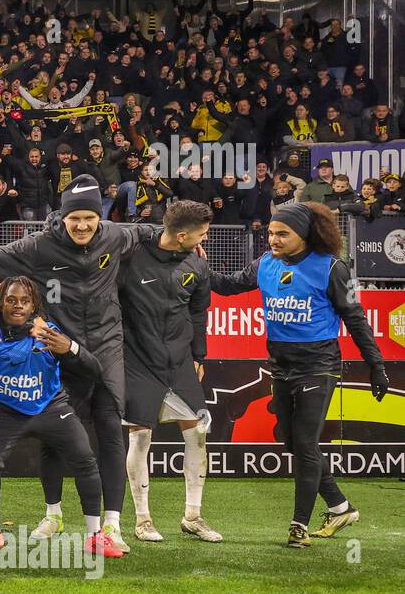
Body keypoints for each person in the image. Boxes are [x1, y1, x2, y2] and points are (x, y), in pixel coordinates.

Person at [0, 177, 158, 549]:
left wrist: (188, 248)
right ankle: (53, 516)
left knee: (111, 428)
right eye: (74, 218)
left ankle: (110, 526)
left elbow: (150, 231)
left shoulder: (115, 236)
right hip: (59, 348)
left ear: (100, 217)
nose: (82, 226)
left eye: (89, 218)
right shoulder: (39, 246)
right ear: (62, 217)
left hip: (108, 349)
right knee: (56, 437)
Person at [211, 202, 388, 548]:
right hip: (281, 365)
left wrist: (376, 365)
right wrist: (194, 262)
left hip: (319, 365)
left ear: (304, 235)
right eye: (271, 233)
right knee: (292, 443)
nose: (273, 240)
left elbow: (355, 319)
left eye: (282, 234)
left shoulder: (333, 268)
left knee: (306, 444)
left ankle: (298, 526)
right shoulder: (265, 264)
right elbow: (228, 285)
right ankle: (339, 507)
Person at [0, 277, 123, 558]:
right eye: (11, 300)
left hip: (52, 407)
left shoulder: (48, 334)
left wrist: (71, 349)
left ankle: (95, 535)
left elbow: (96, 369)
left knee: (85, 460)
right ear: (1, 302)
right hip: (5, 411)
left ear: (34, 306)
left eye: (24, 301)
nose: (17, 306)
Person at [119, 201, 220, 544]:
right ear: (180, 235)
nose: (205, 238)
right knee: (140, 436)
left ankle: (193, 515)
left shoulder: (197, 263)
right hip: (137, 358)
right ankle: (143, 519)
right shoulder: (131, 256)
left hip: (179, 361)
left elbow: (198, 312)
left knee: (197, 433)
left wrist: (198, 355)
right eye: (202, 234)